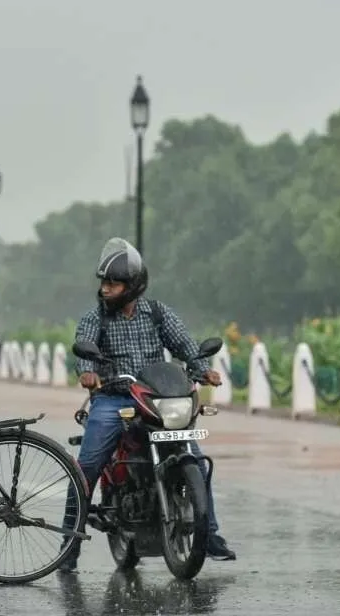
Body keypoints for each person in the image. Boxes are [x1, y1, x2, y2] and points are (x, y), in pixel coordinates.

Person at [60, 237, 237, 573]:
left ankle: (209, 534)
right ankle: (69, 542)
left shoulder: (157, 313)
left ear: (132, 286)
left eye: (113, 283)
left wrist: (203, 370)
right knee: (86, 469)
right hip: (114, 399)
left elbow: (186, 345)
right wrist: (87, 373)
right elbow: (82, 348)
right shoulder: (95, 317)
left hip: (157, 398)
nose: (105, 289)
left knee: (196, 461)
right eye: (104, 283)